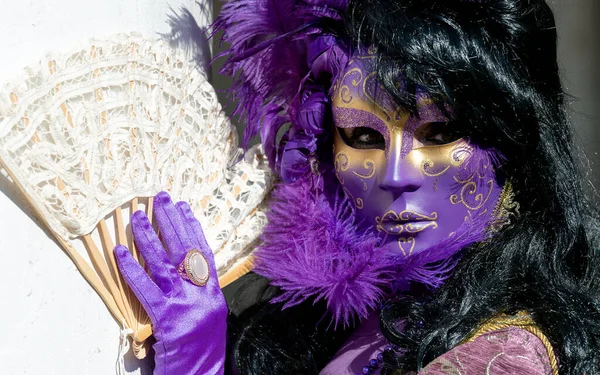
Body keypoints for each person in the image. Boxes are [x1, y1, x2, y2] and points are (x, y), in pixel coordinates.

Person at [114, 0, 600, 374]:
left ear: (510, 144)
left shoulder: (505, 355)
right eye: (363, 137)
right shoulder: (338, 318)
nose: (394, 176)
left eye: (437, 133)